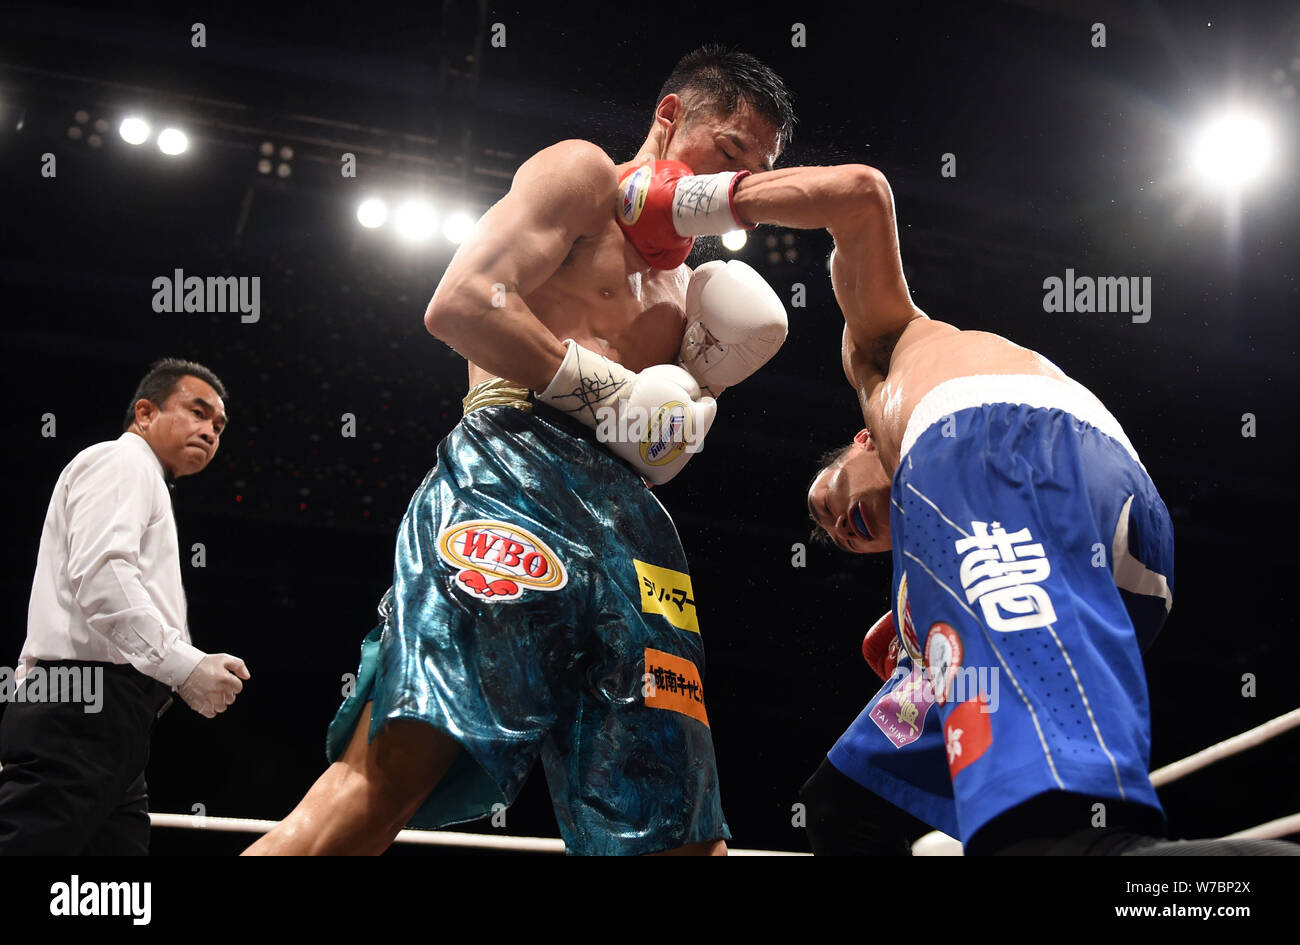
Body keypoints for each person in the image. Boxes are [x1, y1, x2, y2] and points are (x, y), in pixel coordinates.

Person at [245, 45, 795, 856]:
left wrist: (682, 421)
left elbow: (652, 440)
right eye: (730, 153)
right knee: (389, 776)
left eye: (758, 174)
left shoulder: (695, 288)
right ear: (671, 117)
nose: (735, 189)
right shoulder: (583, 177)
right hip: (511, 473)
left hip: (633, 527)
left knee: (677, 828)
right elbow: (460, 303)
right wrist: (609, 392)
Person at [722, 159, 1296, 854]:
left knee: (1043, 842)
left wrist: (699, 201)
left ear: (861, 440)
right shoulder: (928, 543)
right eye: (840, 539)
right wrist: (914, 639)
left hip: (1004, 449)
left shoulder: (884, 354)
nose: (835, 527)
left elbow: (860, 198)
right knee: (845, 811)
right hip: (1113, 561)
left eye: (828, 500)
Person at [0, 358, 250, 855]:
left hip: (103, 715)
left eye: (218, 426)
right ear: (144, 413)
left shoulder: (146, 479)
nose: (209, 431)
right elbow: (104, 577)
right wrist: (185, 665)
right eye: (197, 412)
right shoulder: (122, 462)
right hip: (84, 706)